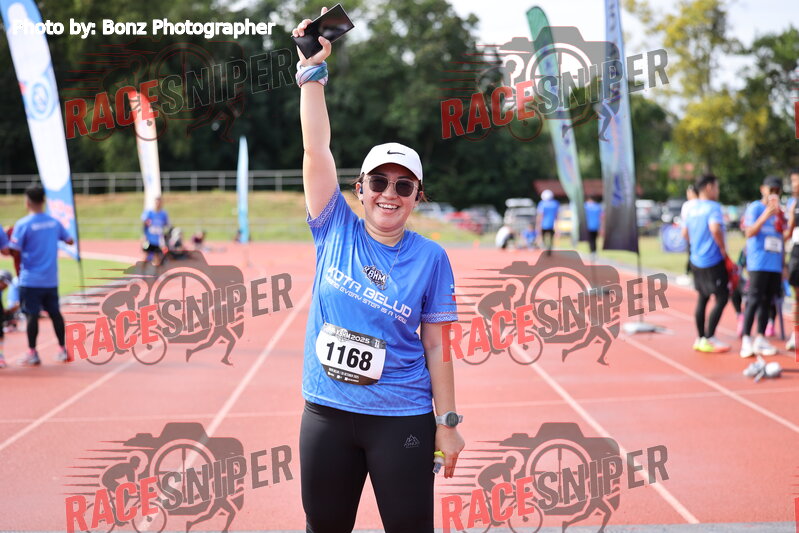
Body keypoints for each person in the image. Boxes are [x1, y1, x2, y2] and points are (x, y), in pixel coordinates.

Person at [293, 11, 465, 532]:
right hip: (327, 414)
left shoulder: (431, 258)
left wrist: (447, 423)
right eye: (379, 182)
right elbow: (315, 147)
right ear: (360, 189)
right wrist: (313, 74)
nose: (390, 193)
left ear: (416, 197)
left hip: (402, 419)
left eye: (403, 186)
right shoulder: (334, 228)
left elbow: (437, 346)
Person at [8, 184, 74, 365]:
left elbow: (13, 250)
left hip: (30, 279)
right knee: (55, 313)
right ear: (44, 201)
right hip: (50, 279)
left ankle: (33, 352)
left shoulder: (23, 224)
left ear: (27, 202)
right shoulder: (54, 222)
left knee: (31, 315)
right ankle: (62, 349)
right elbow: (69, 240)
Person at [681, 175, 730, 353]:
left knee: (703, 297)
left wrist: (696, 245)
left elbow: (684, 233)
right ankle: (709, 337)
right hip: (713, 259)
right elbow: (715, 229)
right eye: (716, 187)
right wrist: (723, 249)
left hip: (696, 259)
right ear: (709, 187)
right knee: (722, 297)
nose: (718, 191)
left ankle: (701, 338)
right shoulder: (713, 207)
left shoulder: (690, 208)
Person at [740, 176, 785, 357]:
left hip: (774, 264)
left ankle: (760, 337)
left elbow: (782, 237)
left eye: (777, 191)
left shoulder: (780, 212)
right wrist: (767, 213)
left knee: (767, 301)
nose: (774, 194)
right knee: (754, 300)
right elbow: (749, 232)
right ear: (763, 189)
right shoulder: (755, 208)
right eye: (771, 190)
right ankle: (746, 339)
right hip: (758, 262)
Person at [784, 168, 799, 350]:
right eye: (792, 181)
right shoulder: (793, 203)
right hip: (796, 252)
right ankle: (795, 336)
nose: (794, 184)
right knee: (797, 296)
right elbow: (788, 230)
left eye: (796, 180)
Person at [141, 196, 169, 267]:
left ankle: (155, 272)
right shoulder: (149, 212)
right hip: (149, 239)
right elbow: (144, 222)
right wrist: (144, 235)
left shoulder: (163, 214)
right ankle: (140, 270)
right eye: (156, 203)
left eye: (159, 203)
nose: (158, 204)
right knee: (146, 256)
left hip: (158, 240)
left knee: (157, 257)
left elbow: (166, 224)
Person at [680, 184, 698, 277]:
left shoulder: (687, 205)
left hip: (691, 235)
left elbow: (684, 222)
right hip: (699, 235)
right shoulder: (702, 203)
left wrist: (686, 236)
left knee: (692, 255)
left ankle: (688, 273)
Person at [536, 189, 559, 256]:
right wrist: (557, 226)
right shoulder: (555, 203)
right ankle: (549, 248)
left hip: (543, 224)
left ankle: (545, 247)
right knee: (551, 238)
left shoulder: (542, 204)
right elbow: (557, 215)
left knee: (543, 237)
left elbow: (540, 215)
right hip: (552, 224)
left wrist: (538, 225)